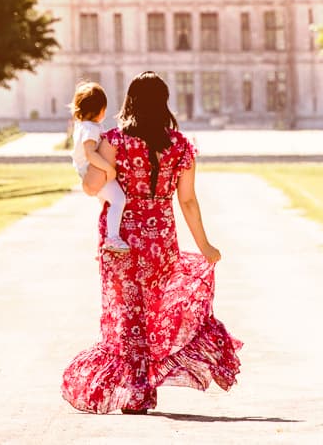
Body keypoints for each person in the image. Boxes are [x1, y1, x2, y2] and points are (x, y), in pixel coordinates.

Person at [61, 71, 242, 415]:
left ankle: (137, 390)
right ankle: (144, 384)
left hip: (122, 239)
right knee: (156, 311)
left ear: (129, 101)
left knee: (128, 313)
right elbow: (187, 200)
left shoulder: (114, 141)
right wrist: (204, 246)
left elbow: (90, 187)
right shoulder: (180, 145)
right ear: (164, 104)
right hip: (161, 236)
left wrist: (96, 166)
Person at [69, 81, 130, 252]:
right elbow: (90, 153)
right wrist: (109, 169)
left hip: (89, 171)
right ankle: (112, 238)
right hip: (93, 172)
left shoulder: (83, 126)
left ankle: (102, 244)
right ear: (100, 110)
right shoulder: (90, 128)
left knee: (106, 207)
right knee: (119, 200)